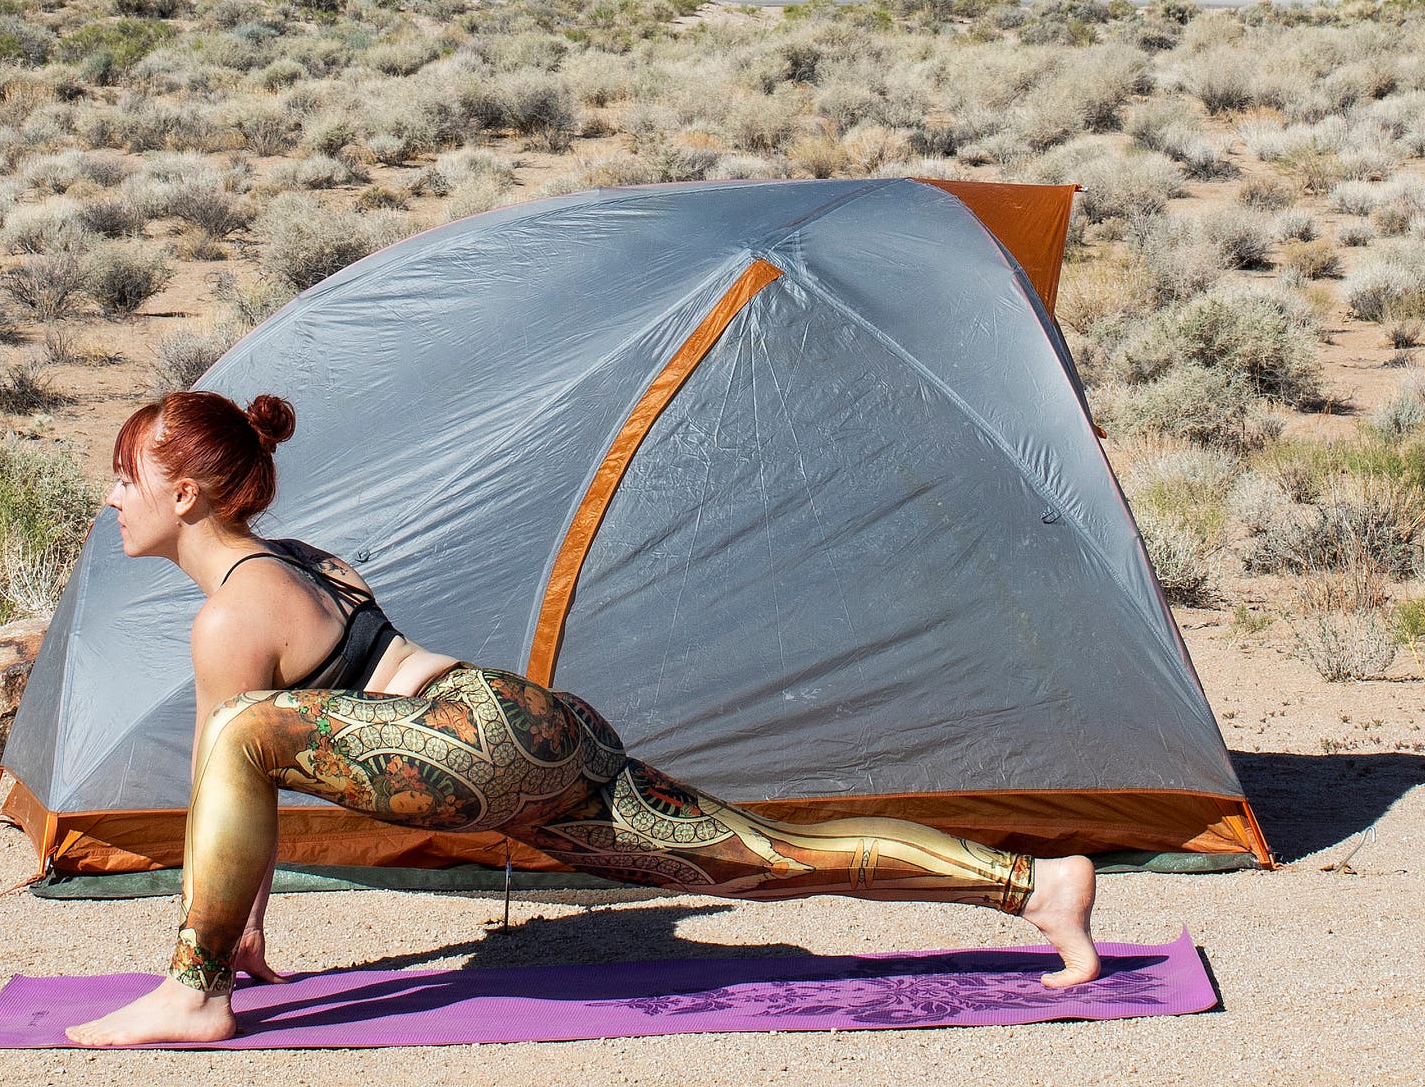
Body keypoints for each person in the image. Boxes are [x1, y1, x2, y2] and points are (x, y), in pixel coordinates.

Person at [67, 388, 1102, 1048]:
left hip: (469, 742)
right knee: (762, 854)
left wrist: (226, 936)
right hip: (527, 724)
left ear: (194, 493)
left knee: (239, 732)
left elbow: (230, 775)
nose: (113, 494)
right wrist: (248, 924)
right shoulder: (303, 559)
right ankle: (1036, 884)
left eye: (130, 474)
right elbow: (276, 782)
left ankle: (193, 991)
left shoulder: (230, 617)